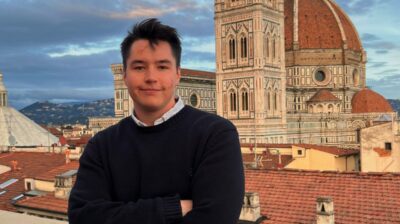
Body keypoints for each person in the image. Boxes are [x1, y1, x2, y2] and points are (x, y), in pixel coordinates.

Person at [68, 18, 244, 224]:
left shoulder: (215, 134)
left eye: (162, 67)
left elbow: (216, 218)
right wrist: (172, 209)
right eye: (139, 67)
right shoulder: (101, 145)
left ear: (178, 74)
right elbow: (82, 217)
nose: (151, 77)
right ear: (124, 75)